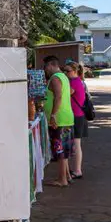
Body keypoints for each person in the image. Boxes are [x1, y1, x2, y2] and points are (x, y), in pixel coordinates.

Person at [42, 55, 74, 188]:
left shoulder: (55, 78)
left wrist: (53, 115)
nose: (45, 70)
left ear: (51, 65)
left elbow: (58, 96)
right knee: (64, 150)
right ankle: (66, 176)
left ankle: (62, 179)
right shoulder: (63, 77)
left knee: (59, 150)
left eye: (45, 67)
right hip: (66, 118)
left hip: (59, 120)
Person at [64, 60, 87, 179]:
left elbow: (65, 94)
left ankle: (77, 170)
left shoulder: (74, 82)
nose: (65, 73)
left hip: (76, 116)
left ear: (74, 71)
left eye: (67, 71)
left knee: (77, 144)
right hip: (79, 115)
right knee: (77, 143)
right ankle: (77, 169)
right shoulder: (78, 81)